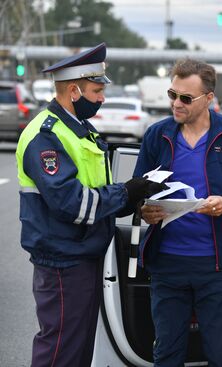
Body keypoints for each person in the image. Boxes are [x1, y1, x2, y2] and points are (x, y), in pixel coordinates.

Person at [15, 43, 166, 367]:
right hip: (62, 258)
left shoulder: (82, 131)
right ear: (73, 90)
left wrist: (133, 198)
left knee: (78, 346)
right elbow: (71, 204)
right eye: (97, 91)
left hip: (81, 254)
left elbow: (95, 194)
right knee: (60, 348)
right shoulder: (46, 136)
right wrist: (126, 193)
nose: (102, 99)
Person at [133, 58, 222, 367]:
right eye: (172, 94)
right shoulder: (157, 135)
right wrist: (144, 210)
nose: (176, 103)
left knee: (220, 356)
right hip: (166, 265)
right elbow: (136, 192)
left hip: (217, 267)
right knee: (166, 355)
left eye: (185, 98)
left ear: (208, 98)